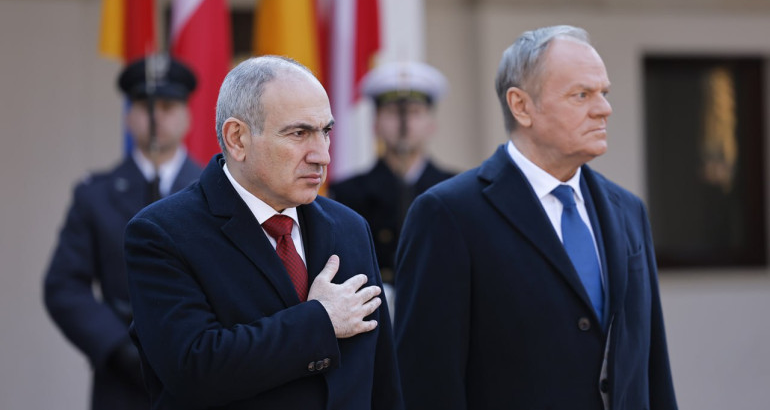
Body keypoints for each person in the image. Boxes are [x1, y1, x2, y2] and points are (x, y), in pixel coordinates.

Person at [395, 25, 678, 410]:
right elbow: (427, 383)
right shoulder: (448, 214)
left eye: (604, 93)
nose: (604, 108)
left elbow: (652, 367)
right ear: (521, 106)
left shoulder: (628, 211)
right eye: (582, 95)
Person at [123, 56, 403, 410]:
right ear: (237, 138)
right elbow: (194, 368)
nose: (322, 156)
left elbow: (381, 382)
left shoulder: (350, 227)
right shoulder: (162, 233)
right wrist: (319, 321)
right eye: (299, 133)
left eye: (326, 132)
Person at [43, 55, 203, 410]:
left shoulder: (217, 191)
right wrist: (117, 347)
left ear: (187, 115)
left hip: (202, 376)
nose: (156, 117)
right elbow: (63, 285)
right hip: (122, 387)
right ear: (129, 116)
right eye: (145, 106)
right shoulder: (95, 195)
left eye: (168, 106)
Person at [329, 61, 454, 292]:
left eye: (415, 113)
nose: (404, 123)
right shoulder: (347, 193)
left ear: (431, 124)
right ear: (375, 124)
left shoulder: (454, 188)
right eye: (392, 113)